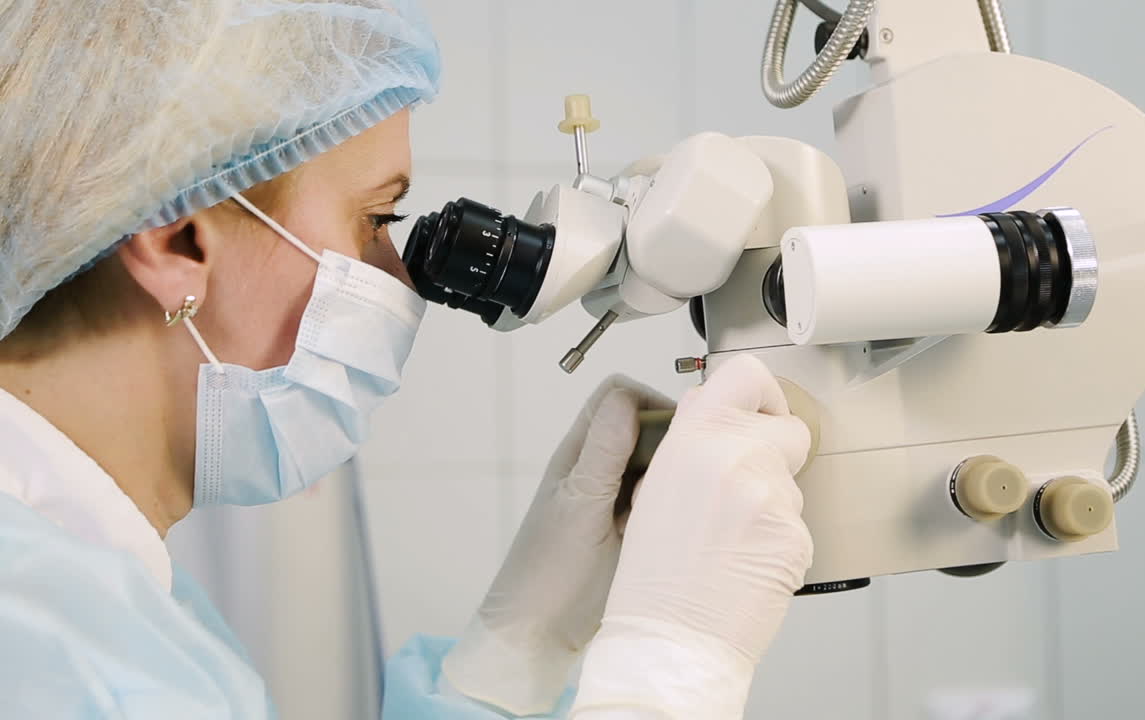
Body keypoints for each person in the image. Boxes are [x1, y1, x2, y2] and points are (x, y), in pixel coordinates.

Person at [0, 2, 814, 718]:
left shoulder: (94, 595)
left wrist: (510, 658)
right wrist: (667, 674)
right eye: (377, 218)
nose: (400, 278)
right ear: (179, 239)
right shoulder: (62, 661)